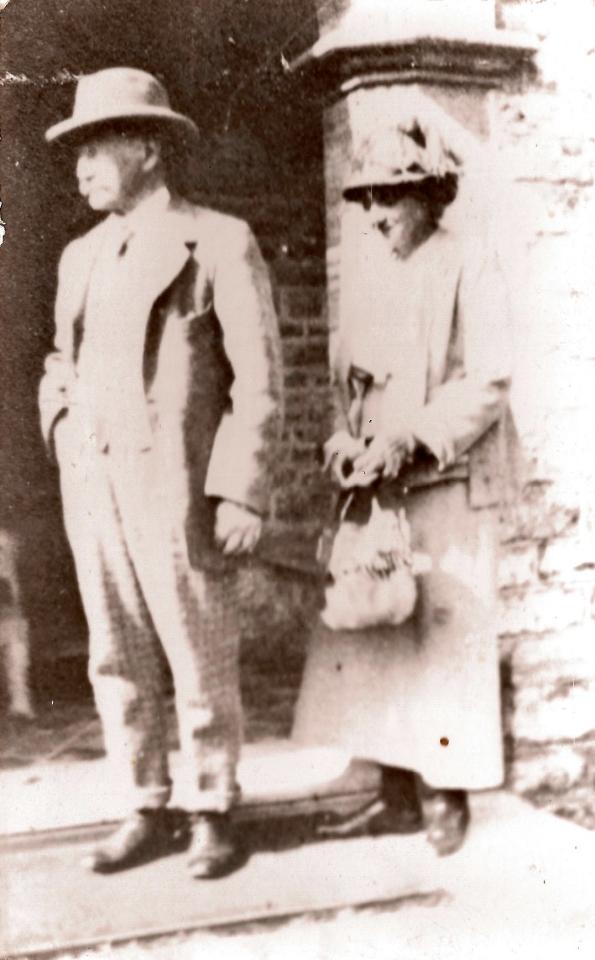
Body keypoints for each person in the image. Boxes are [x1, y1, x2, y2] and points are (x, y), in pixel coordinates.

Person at [39, 67, 283, 877]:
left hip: (175, 486)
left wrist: (240, 488)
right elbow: (58, 361)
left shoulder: (217, 240)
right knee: (115, 653)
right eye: (75, 153)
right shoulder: (80, 257)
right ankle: (145, 801)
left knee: (197, 646)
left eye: (95, 148)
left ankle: (212, 806)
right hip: (96, 483)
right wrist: (64, 424)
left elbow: (259, 380)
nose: (80, 168)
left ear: (147, 147)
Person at [292, 110, 511, 855]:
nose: (376, 213)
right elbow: (346, 388)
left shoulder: (468, 261)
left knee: (442, 631)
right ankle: (393, 793)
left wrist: (409, 438)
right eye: (366, 199)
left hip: (441, 477)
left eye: (390, 196)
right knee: (379, 626)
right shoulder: (367, 279)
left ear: (429, 195)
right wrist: (343, 445)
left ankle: (444, 794)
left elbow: (488, 377)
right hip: (378, 488)